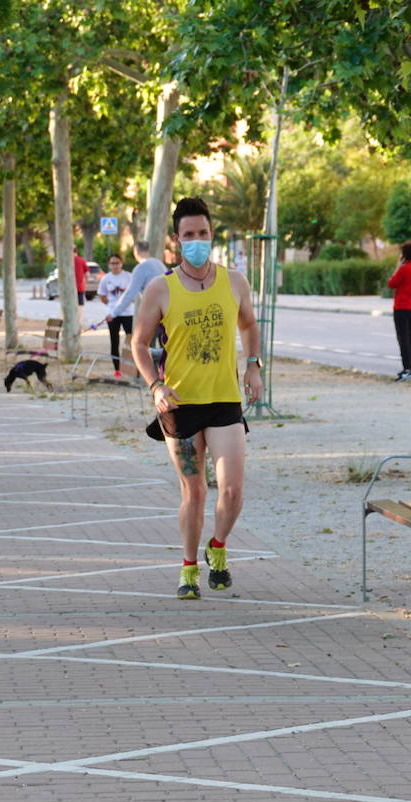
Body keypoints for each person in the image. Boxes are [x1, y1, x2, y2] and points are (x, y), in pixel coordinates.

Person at [131, 197, 261, 600]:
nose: (197, 241)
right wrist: (155, 386)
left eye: (203, 233)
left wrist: (253, 365)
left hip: (223, 401)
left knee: (233, 491)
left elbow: (249, 324)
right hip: (180, 405)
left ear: (211, 234)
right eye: (189, 235)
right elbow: (138, 343)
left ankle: (217, 546)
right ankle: (188, 569)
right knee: (194, 492)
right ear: (176, 240)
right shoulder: (160, 288)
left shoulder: (234, 281)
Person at [387, 241, 411, 382]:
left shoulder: (404, 269)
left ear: (404, 254)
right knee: (410, 338)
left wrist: (397, 267)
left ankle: (407, 368)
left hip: (402, 307)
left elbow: (391, 284)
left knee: (403, 339)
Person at [97, 254, 135, 377]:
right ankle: (117, 369)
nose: (115, 265)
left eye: (117, 263)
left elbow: (135, 294)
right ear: (109, 265)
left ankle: (133, 366)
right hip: (112, 315)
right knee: (114, 342)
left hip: (128, 313)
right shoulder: (106, 278)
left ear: (121, 263)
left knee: (132, 341)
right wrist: (111, 306)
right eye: (112, 263)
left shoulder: (128, 276)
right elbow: (102, 295)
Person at [112, 240, 168, 321]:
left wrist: (114, 313)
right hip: (167, 310)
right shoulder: (160, 264)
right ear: (148, 250)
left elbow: (130, 293)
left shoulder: (141, 268)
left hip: (153, 313)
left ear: (136, 251)